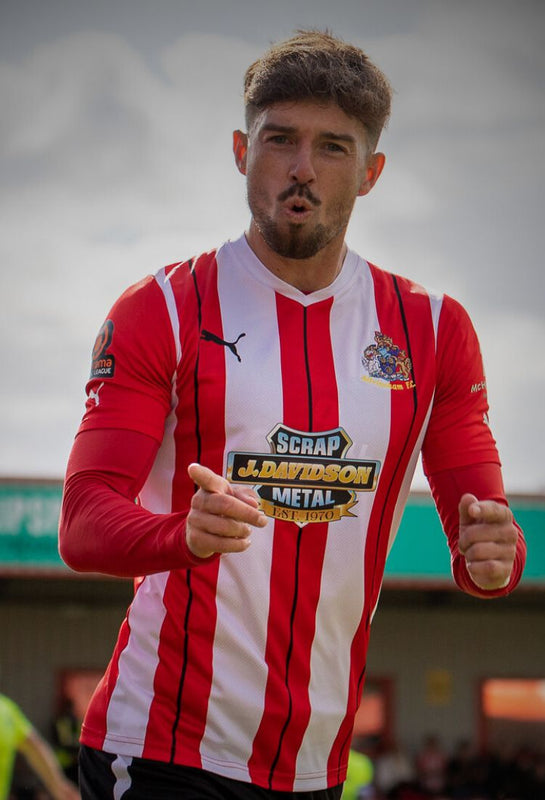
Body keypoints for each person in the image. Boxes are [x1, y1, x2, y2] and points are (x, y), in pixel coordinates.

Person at [58, 29, 526, 800]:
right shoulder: (163, 310)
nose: (302, 168)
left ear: (370, 172)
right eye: (281, 140)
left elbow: (486, 547)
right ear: (242, 151)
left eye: (333, 148)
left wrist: (491, 556)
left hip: (316, 767)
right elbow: (81, 522)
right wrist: (179, 535)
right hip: (163, 748)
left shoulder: (434, 330)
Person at [0, 693, 79, 800]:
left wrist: (61, 788)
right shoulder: (6, 709)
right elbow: (36, 747)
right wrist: (61, 788)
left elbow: (35, 747)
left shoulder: (7, 711)